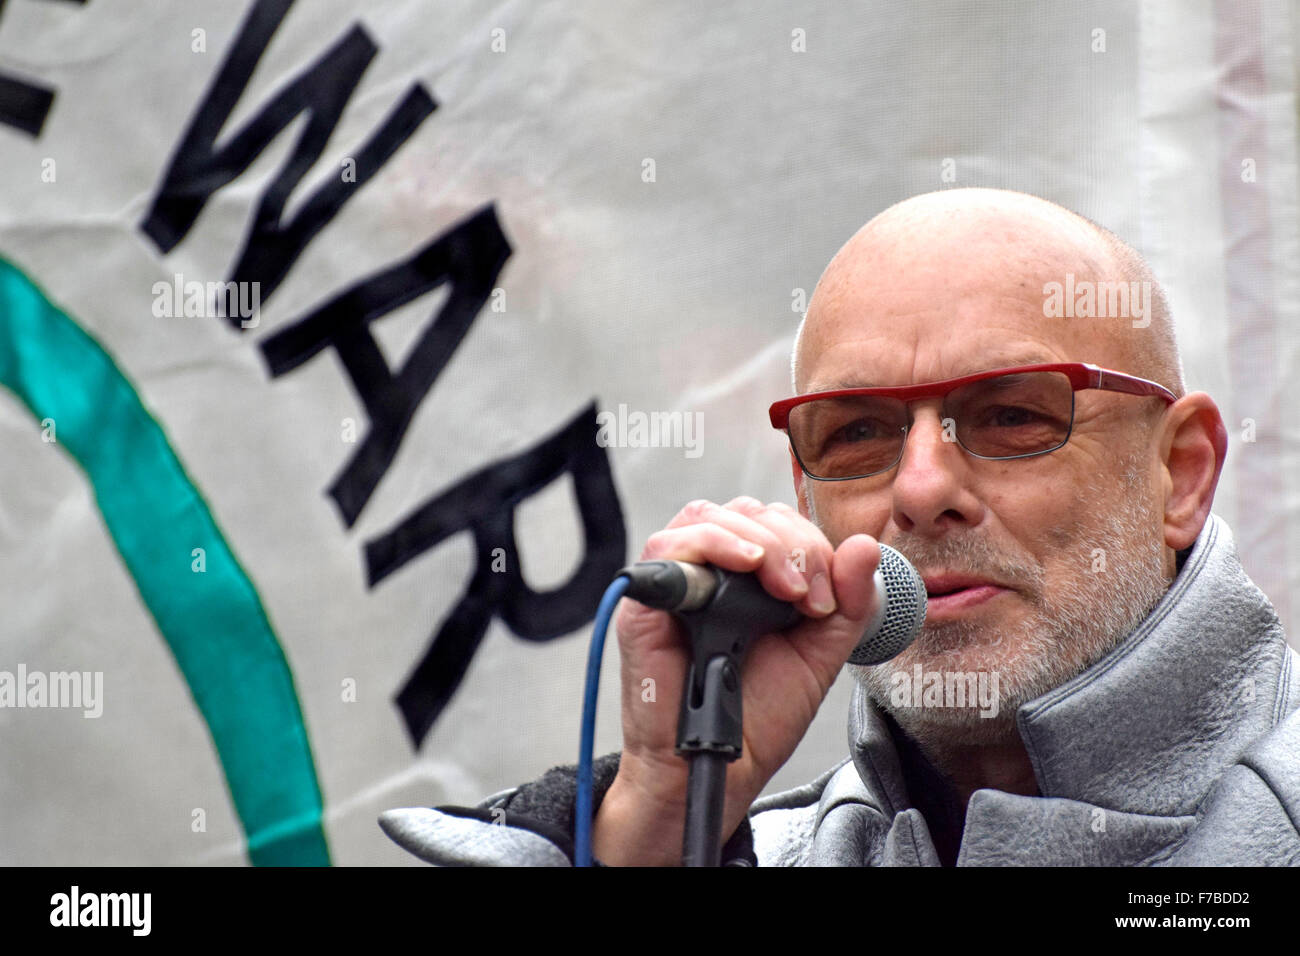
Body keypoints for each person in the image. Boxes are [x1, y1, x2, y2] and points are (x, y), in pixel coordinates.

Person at [379, 188, 1300, 866]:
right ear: (805, 493)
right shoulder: (738, 847)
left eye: (1014, 415)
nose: (922, 488)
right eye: (859, 433)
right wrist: (658, 825)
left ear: (1182, 473)